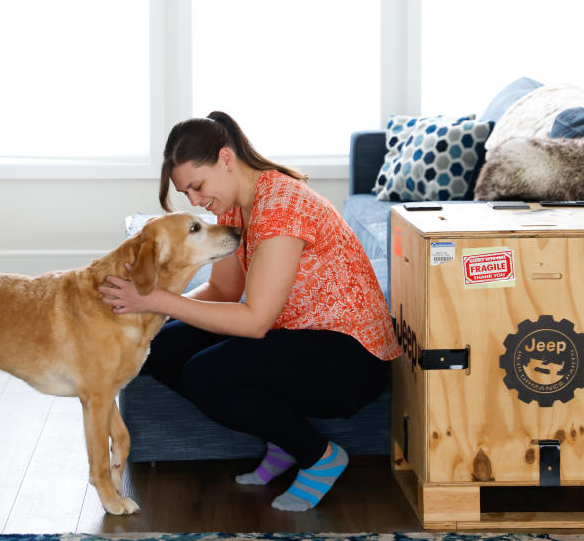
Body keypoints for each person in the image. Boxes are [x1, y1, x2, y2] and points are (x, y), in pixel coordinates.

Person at [98, 111, 400, 511]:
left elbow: (255, 321)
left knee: (206, 374)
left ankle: (319, 457)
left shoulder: (281, 205)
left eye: (197, 186)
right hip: (297, 337)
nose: (194, 201)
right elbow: (224, 289)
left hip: (351, 358)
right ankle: (284, 440)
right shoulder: (234, 206)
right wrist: (151, 317)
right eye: (186, 193)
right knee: (162, 347)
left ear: (226, 159)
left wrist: (158, 300)